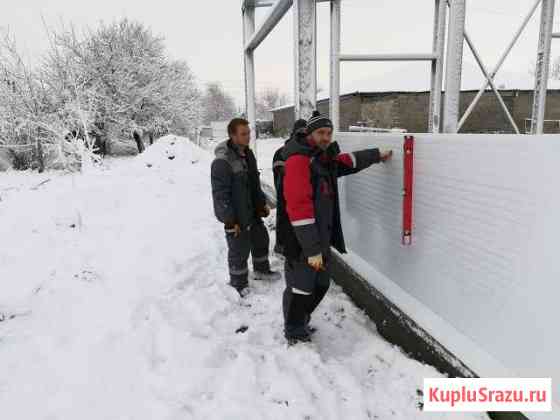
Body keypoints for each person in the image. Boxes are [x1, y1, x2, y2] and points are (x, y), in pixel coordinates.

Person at [278, 111, 393, 344]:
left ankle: (301, 320)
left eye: (329, 133)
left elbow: (346, 162)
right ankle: (294, 331)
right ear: (309, 133)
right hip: (302, 242)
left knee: (320, 284)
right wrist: (311, 250)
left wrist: (376, 155)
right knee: (300, 288)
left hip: (320, 239)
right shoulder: (299, 160)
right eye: (321, 132)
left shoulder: (320, 158)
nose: (326, 137)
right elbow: (300, 209)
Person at [211, 118, 280, 296]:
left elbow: (254, 184)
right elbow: (220, 195)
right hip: (236, 216)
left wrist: (260, 205)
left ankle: (261, 270)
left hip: (252, 211)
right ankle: (238, 284)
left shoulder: (247, 154)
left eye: (249, 132)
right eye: (243, 133)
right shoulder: (222, 161)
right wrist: (229, 220)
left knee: (261, 240)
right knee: (239, 251)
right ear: (232, 135)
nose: (248, 136)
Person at [272, 119, 307, 255]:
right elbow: (279, 171)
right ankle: (281, 245)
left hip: (296, 193)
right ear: (294, 133)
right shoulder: (282, 152)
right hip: (285, 192)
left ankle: (291, 245)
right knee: (284, 219)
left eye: (305, 132)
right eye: (300, 132)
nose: (302, 135)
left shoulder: (308, 151)